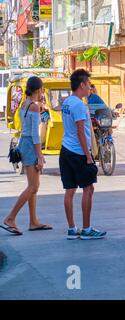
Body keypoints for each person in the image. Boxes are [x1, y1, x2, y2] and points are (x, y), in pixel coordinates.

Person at [1, 77, 52, 236]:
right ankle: (10, 218)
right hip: (30, 145)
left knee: (33, 186)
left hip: (23, 143)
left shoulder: (24, 103)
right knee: (33, 187)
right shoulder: (35, 107)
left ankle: (33, 221)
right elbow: (35, 135)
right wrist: (40, 155)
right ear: (39, 90)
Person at [59, 69, 106, 240]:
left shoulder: (67, 102)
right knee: (88, 188)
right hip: (78, 152)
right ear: (81, 85)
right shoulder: (79, 104)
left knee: (69, 190)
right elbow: (80, 132)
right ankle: (86, 229)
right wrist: (88, 156)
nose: (90, 89)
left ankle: (72, 228)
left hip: (66, 150)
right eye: (88, 85)